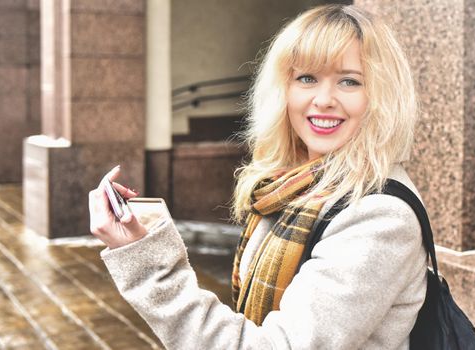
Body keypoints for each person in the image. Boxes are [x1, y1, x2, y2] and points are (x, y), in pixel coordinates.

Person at [89, 4, 428, 349]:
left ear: (381, 96)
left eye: (349, 81)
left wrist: (149, 265)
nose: (324, 99)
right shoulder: (294, 186)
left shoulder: (377, 216)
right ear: (284, 89)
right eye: (307, 78)